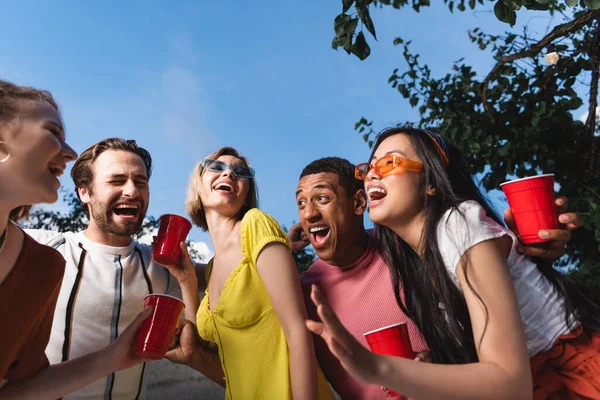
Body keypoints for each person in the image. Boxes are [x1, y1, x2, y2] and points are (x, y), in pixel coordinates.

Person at [306, 126, 600, 399]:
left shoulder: (457, 224)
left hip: (576, 378)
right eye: (368, 168)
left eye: (389, 163)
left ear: (431, 183)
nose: (371, 175)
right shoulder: (419, 260)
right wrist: (430, 366)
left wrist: (379, 368)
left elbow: (511, 383)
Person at [0, 80, 151, 399]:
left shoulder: (39, 266)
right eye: (53, 132)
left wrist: (112, 357)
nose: (68, 153)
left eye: (141, 181)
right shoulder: (52, 250)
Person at [26, 137, 195, 399]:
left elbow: (233, 275)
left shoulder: (164, 266)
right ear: (85, 192)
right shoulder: (46, 248)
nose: (132, 191)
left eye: (140, 182)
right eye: (117, 181)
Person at [179, 146, 334, 399]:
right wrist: (185, 279)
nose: (228, 173)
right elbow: (211, 356)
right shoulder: (211, 269)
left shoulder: (255, 223)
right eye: (216, 167)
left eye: (239, 172)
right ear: (198, 183)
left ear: (247, 192)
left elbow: (298, 330)